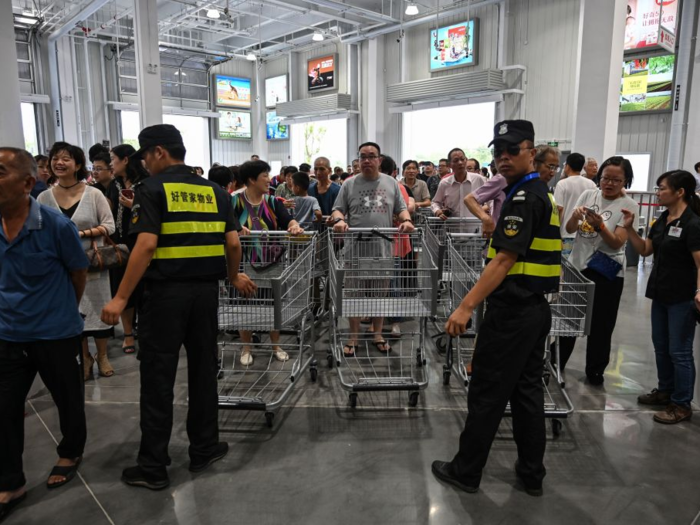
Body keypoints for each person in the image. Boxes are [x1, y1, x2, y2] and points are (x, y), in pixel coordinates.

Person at [101, 124, 256, 490]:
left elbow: (145, 246)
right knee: (203, 372)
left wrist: (121, 297)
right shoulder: (215, 190)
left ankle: (153, 466)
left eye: (144, 156)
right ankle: (204, 448)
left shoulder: (151, 189)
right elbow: (233, 243)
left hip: (165, 298)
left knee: (158, 379)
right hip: (205, 296)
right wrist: (233, 277)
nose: (144, 163)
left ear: (157, 152)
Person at [432, 119, 561, 497]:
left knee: (487, 392)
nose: (503, 158)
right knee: (525, 393)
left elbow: (503, 260)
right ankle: (531, 473)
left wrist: (466, 305)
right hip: (533, 310)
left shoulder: (523, 198)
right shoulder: (534, 192)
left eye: (512, 150)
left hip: (513, 312)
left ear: (531, 152)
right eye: (498, 152)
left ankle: (466, 471)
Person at [0, 148, 88, 516]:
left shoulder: (55, 225)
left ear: (26, 183)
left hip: (56, 333)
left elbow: (78, 273)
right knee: (4, 410)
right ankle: (9, 482)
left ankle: (69, 453)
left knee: (67, 400)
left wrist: (62, 312)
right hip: (7, 335)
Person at [622, 170, 700, 424]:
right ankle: (665, 391)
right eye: (656, 188)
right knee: (662, 347)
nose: (657, 192)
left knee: (680, 351)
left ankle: (681, 404)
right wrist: (630, 229)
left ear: (680, 192)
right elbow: (645, 251)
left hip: (683, 297)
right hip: (661, 293)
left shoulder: (693, 224)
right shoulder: (662, 220)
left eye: (662, 188)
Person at [38, 143, 116, 381]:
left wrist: (81, 234)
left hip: (92, 262)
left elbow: (110, 225)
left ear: (78, 165)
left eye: (66, 159)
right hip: (60, 267)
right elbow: (39, 229)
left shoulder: (93, 194)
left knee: (98, 310)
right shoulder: (44, 197)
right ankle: (85, 358)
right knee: (75, 312)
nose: (59, 163)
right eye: (55, 159)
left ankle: (102, 356)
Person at [330, 142, 415, 356]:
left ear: (379, 160)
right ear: (358, 160)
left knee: (379, 294)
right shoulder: (348, 184)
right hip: (354, 249)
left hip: (382, 248)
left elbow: (402, 209)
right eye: (363, 156)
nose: (367, 160)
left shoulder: (391, 183)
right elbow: (338, 209)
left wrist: (406, 221)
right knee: (354, 295)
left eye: (371, 156)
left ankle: (378, 333)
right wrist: (339, 220)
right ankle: (354, 336)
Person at [561, 156, 638, 384]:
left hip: (607, 271)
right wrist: (575, 217)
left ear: (626, 180)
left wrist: (600, 226)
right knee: (568, 319)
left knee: (601, 324)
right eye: (606, 178)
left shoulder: (629, 205)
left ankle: (595, 370)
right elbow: (569, 228)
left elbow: (617, 242)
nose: (610, 183)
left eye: (616, 179)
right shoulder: (588, 195)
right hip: (577, 266)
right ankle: (558, 363)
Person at [232, 160, 304, 366]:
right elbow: (228, 224)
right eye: (264, 175)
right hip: (244, 264)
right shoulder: (234, 202)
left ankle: (275, 345)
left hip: (274, 262)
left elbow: (286, 220)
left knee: (274, 305)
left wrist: (294, 225)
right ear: (251, 179)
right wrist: (237, 229)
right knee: (244, 305)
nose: (269, 179)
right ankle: (246, 347)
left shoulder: (273, 202)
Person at [108, 144, 150, 354]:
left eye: (113, 159)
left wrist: (133, 206)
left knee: (144, 290)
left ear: (125, 160)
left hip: (142, 242)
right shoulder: (113, 184)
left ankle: (144, 332)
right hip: (119, 244)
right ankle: (127, 334)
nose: (110, 164)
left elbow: (152, 213)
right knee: (122, 286)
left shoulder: (146, 183)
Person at [553, 152, 596, 258]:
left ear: (567, 166)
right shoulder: (591, 184)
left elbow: (559, 209)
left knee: (566, 270)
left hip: (566, 234)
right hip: (585, 234)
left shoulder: (562, 184)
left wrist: (555, 232)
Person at [432, 148, 487, 221]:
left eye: (462, 159)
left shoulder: (479, 179)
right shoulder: (445, 183)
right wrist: (437, 211)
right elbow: (435, 202)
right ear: (449, 165)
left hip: (475, 226)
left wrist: (482, 209)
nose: (460, 163)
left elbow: (491, 201)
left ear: (466, 160)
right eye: (456, 160)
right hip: (452, 228)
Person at [464, 169, 507, 239]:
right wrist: (486, 218)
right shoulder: (502, 179)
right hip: (502, 237)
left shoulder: (529, 182)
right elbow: (469, 199)